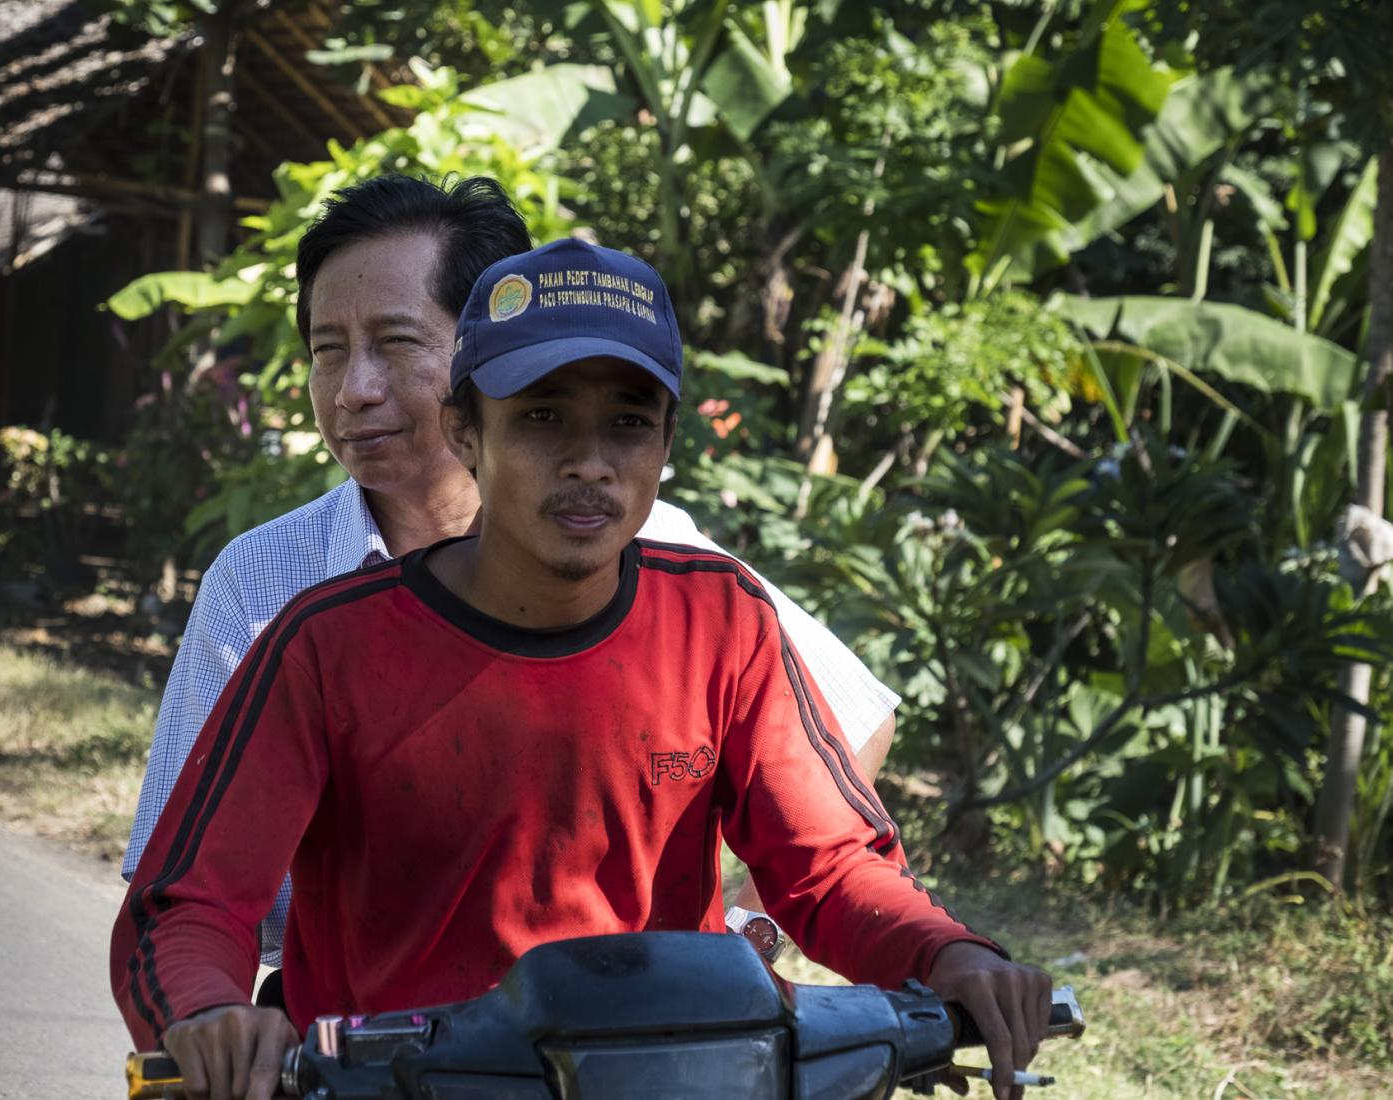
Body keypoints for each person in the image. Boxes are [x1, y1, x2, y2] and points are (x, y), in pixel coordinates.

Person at [111, 239, 1052, 1100]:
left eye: (629, 423)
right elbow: (188, 901)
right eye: (543, 418)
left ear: (668, 446)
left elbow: (831, 865)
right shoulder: (326, 645)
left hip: (673, 1075)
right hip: (400, 1083)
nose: (590, 464)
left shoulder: (721, 620)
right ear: (467, 433)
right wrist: (206, 1015)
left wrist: (948, 954)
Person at [122, 175, 900, 971]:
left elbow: (853, 728)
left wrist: (746, 934)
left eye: (395, 343)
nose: (355, 390)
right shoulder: (266, 582)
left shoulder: (660, 560)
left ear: (487, 360)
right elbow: (186, 889)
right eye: (329, 350)